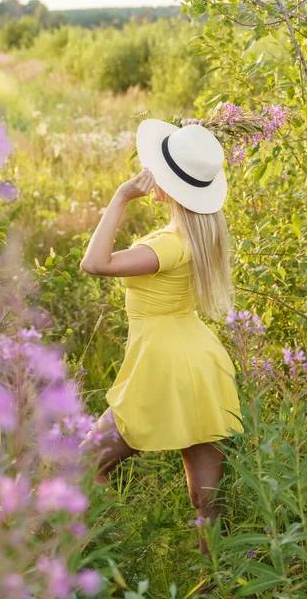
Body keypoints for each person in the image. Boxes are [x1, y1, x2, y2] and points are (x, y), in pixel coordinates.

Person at [79, 117, 244, 557]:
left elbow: (94, 263)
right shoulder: (201, 236)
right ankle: (215, 578)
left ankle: (121, 558)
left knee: (83, 464)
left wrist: (120, 198)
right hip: (202, 360)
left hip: (164, 365)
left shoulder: (169, 245)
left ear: (170, 186)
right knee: (206, 500)